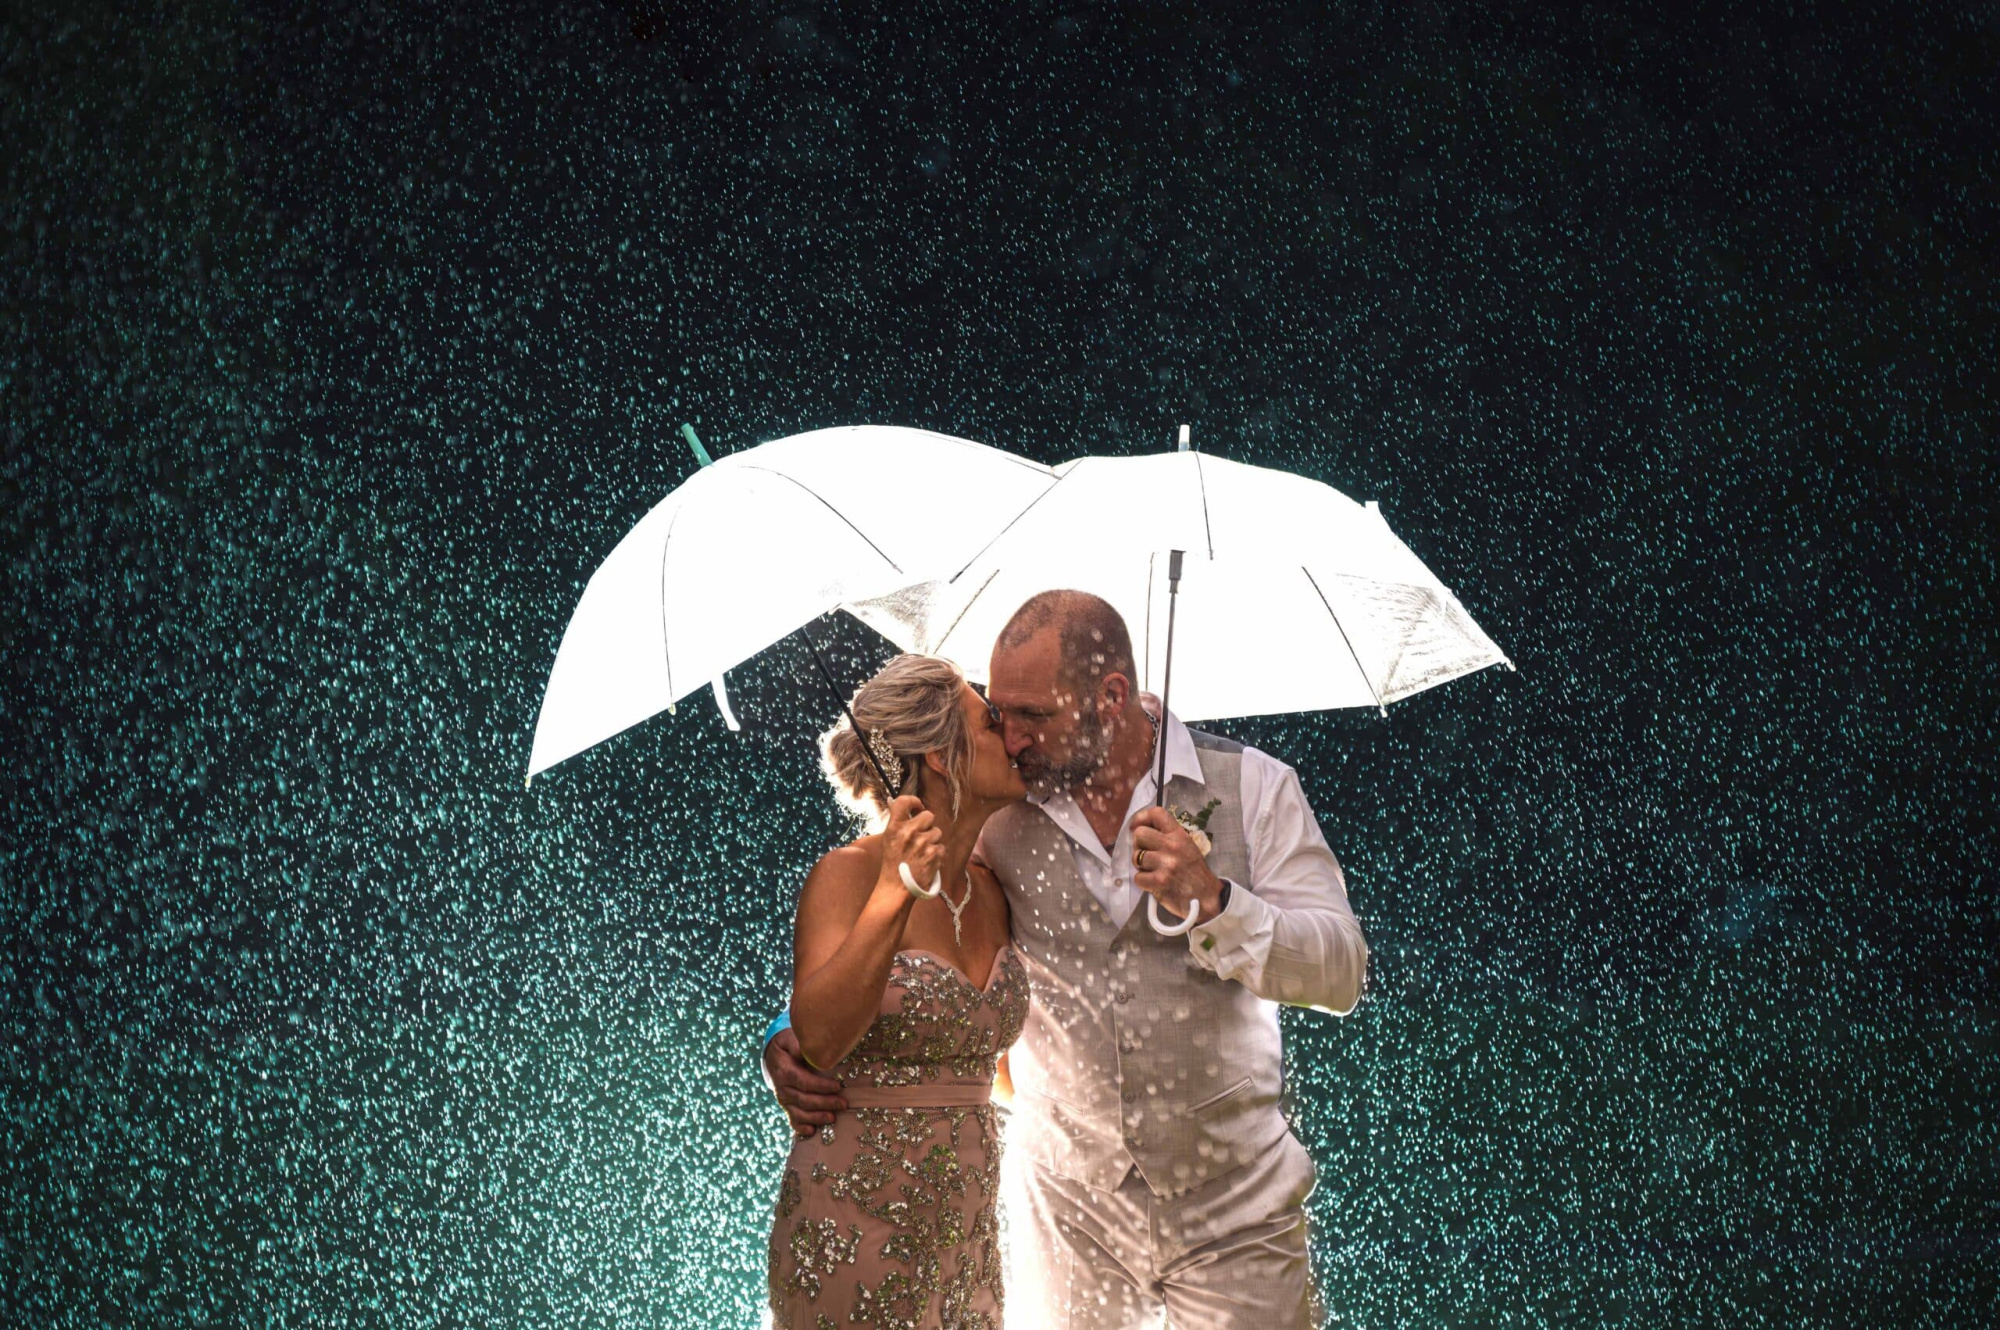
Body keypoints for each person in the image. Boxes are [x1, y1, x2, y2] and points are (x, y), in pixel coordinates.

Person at [767, 591, 1370, 1328]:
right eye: (998, 714)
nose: (1013, 738)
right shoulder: (999, 818)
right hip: (1065, 1213)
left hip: (1239, 1210)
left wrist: (1214, 899)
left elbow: (1342, 973)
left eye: (1031, 717)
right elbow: (898, 943)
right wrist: (786, 1038)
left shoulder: (1254, 790)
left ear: (1110, 698)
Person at [766, 653, 1031, 1330]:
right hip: (854, 1226)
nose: (1014, 736)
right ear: (943, 755)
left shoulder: (996, 892)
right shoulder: (846, 876)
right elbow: (820, 1037)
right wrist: (897, 890)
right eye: (991, 720)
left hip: (968, 1238)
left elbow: (993, 1068)